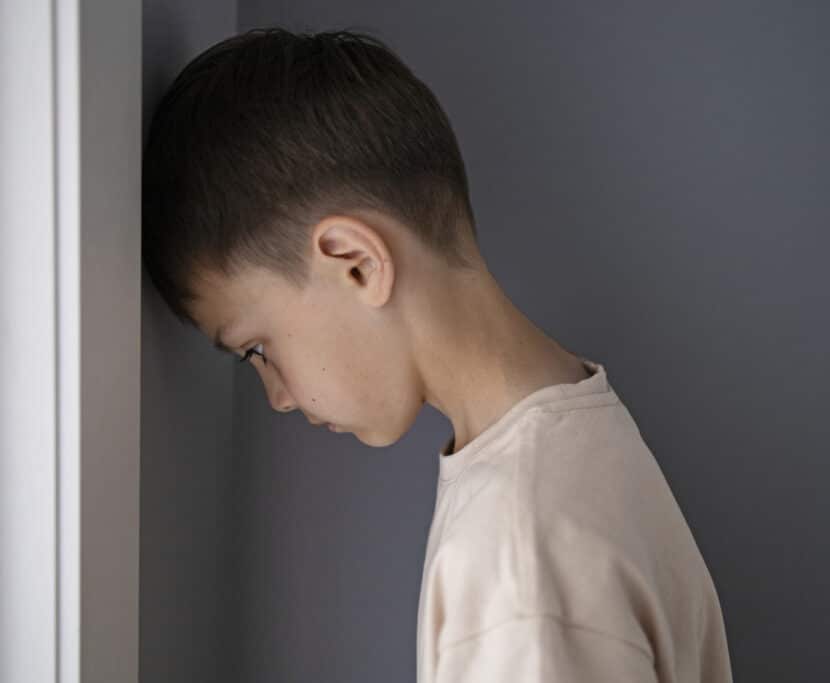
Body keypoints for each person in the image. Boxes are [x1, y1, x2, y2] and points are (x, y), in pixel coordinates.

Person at [142, 26, 734, 683]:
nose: (278, 395)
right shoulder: (580, 439)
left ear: (357, 264)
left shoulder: (519, 556)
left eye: (256, 348)